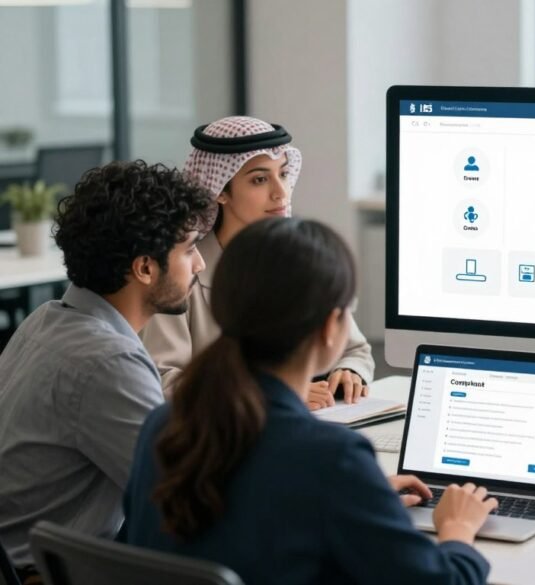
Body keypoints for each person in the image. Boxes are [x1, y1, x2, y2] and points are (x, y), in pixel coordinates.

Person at [122, 218, 496, 585]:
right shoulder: (333, 460)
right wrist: (458, 528)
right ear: (332, 326)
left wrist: (366, 502)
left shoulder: (162, 426)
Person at [0, 161, 215, 578]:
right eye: (189, 249)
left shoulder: (46, 319)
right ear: (145, 268)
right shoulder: (107, 360)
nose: (200, 265)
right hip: (43, 573)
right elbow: (187, 497)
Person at [142, 116, 374, 408]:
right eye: (260, 179)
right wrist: (274, 394)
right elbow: (163, 380)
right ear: (220, 191)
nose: (281, 192)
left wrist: (350, 370)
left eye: (283, 174)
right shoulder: (180, 272)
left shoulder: (299, 258)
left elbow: (355, 348)